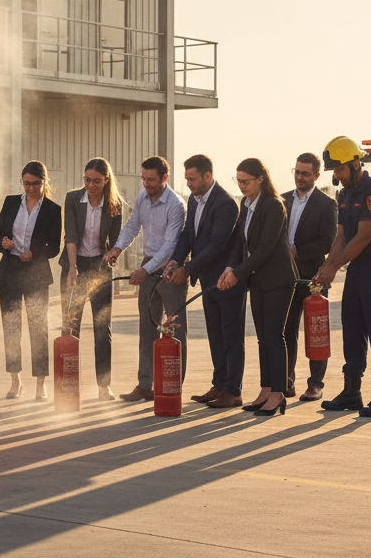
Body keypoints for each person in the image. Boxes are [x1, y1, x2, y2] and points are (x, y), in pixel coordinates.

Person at [313, 136, 371, 418]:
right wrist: (326, 266)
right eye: (334, 171)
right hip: (357, 269)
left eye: (339, 170)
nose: (336, 176)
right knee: (352, 329)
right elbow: (342, 236)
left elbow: (363, 237)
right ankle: (352, 390)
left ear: (355, 163)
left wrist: (334, 267)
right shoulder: (345, 193)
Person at [104, 156, 186, 402]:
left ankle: (172, 386)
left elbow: (171, 245)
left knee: (175, 329)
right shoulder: (142, 197)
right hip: (149, 265)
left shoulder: (175, 205)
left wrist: (146, 270)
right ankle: (145, 385)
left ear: (165, 178)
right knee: (147, 328)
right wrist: (117, 248)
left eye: (151, 180)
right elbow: (131, 227)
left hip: (170, 269)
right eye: (144, 179)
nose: (146, 184)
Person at [218, 158, 296, 416]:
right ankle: (265, 390)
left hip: (278, 279)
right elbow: (242, 242)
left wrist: (238, 274)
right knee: (263, 338)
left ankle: (278, 393)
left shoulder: (274, 206)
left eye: (246, 181)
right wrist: (231, 268)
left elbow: (265, 248)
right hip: (259, 280)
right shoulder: (246, 204)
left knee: (275, 336)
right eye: (238, 181)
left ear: (260, 179)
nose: (241, 186)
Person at [163, 154, 240, 408]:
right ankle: (219, 385)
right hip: (208, 280)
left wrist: (187, 269)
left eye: (193, 179)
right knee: (215, 335)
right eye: (186, 179)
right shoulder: (195, 200)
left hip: (226, 280)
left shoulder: (226, 204)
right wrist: (176, 260)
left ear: (208, 176)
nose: (189, 184)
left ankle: (233, 390)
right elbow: (188, 235)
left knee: (230, 336)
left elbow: (216, 246)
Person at [0, 161, 62, 401]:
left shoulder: (53, 209)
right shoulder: (11, 202)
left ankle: (40, 383)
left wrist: (35, 253)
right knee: (11, 328)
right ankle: (15, 380)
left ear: (44, 182)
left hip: (36, 275)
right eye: (26, 183)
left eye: (36, 184)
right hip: (9, 273)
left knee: (38, 328)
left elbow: (54, 246)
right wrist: (3, 242)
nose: (30, 188)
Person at [59, 157, 123, 400]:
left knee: (101, 327)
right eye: (87, 180)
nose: (91, 185)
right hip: (75, 265)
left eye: (96, 181)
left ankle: (103, 387)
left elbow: (118, 237)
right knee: (70, 326)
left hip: (100, 267)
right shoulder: (73, 199)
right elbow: (71, 234)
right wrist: (73, 268)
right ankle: (67, 385)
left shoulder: (115, 204)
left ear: (106, 181)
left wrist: (114, 253)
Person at [281, 153, 338, 401]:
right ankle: (286, 381)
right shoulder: (281, 200)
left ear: (316, 175)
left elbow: (328, 241)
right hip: (286, 277)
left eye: (305, 173)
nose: (299, 177)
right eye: (296, 172)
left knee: (316, 332)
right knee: (286, 330)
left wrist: (299, 251)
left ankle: (315, 384)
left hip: (314, 277)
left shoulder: (326, 204)